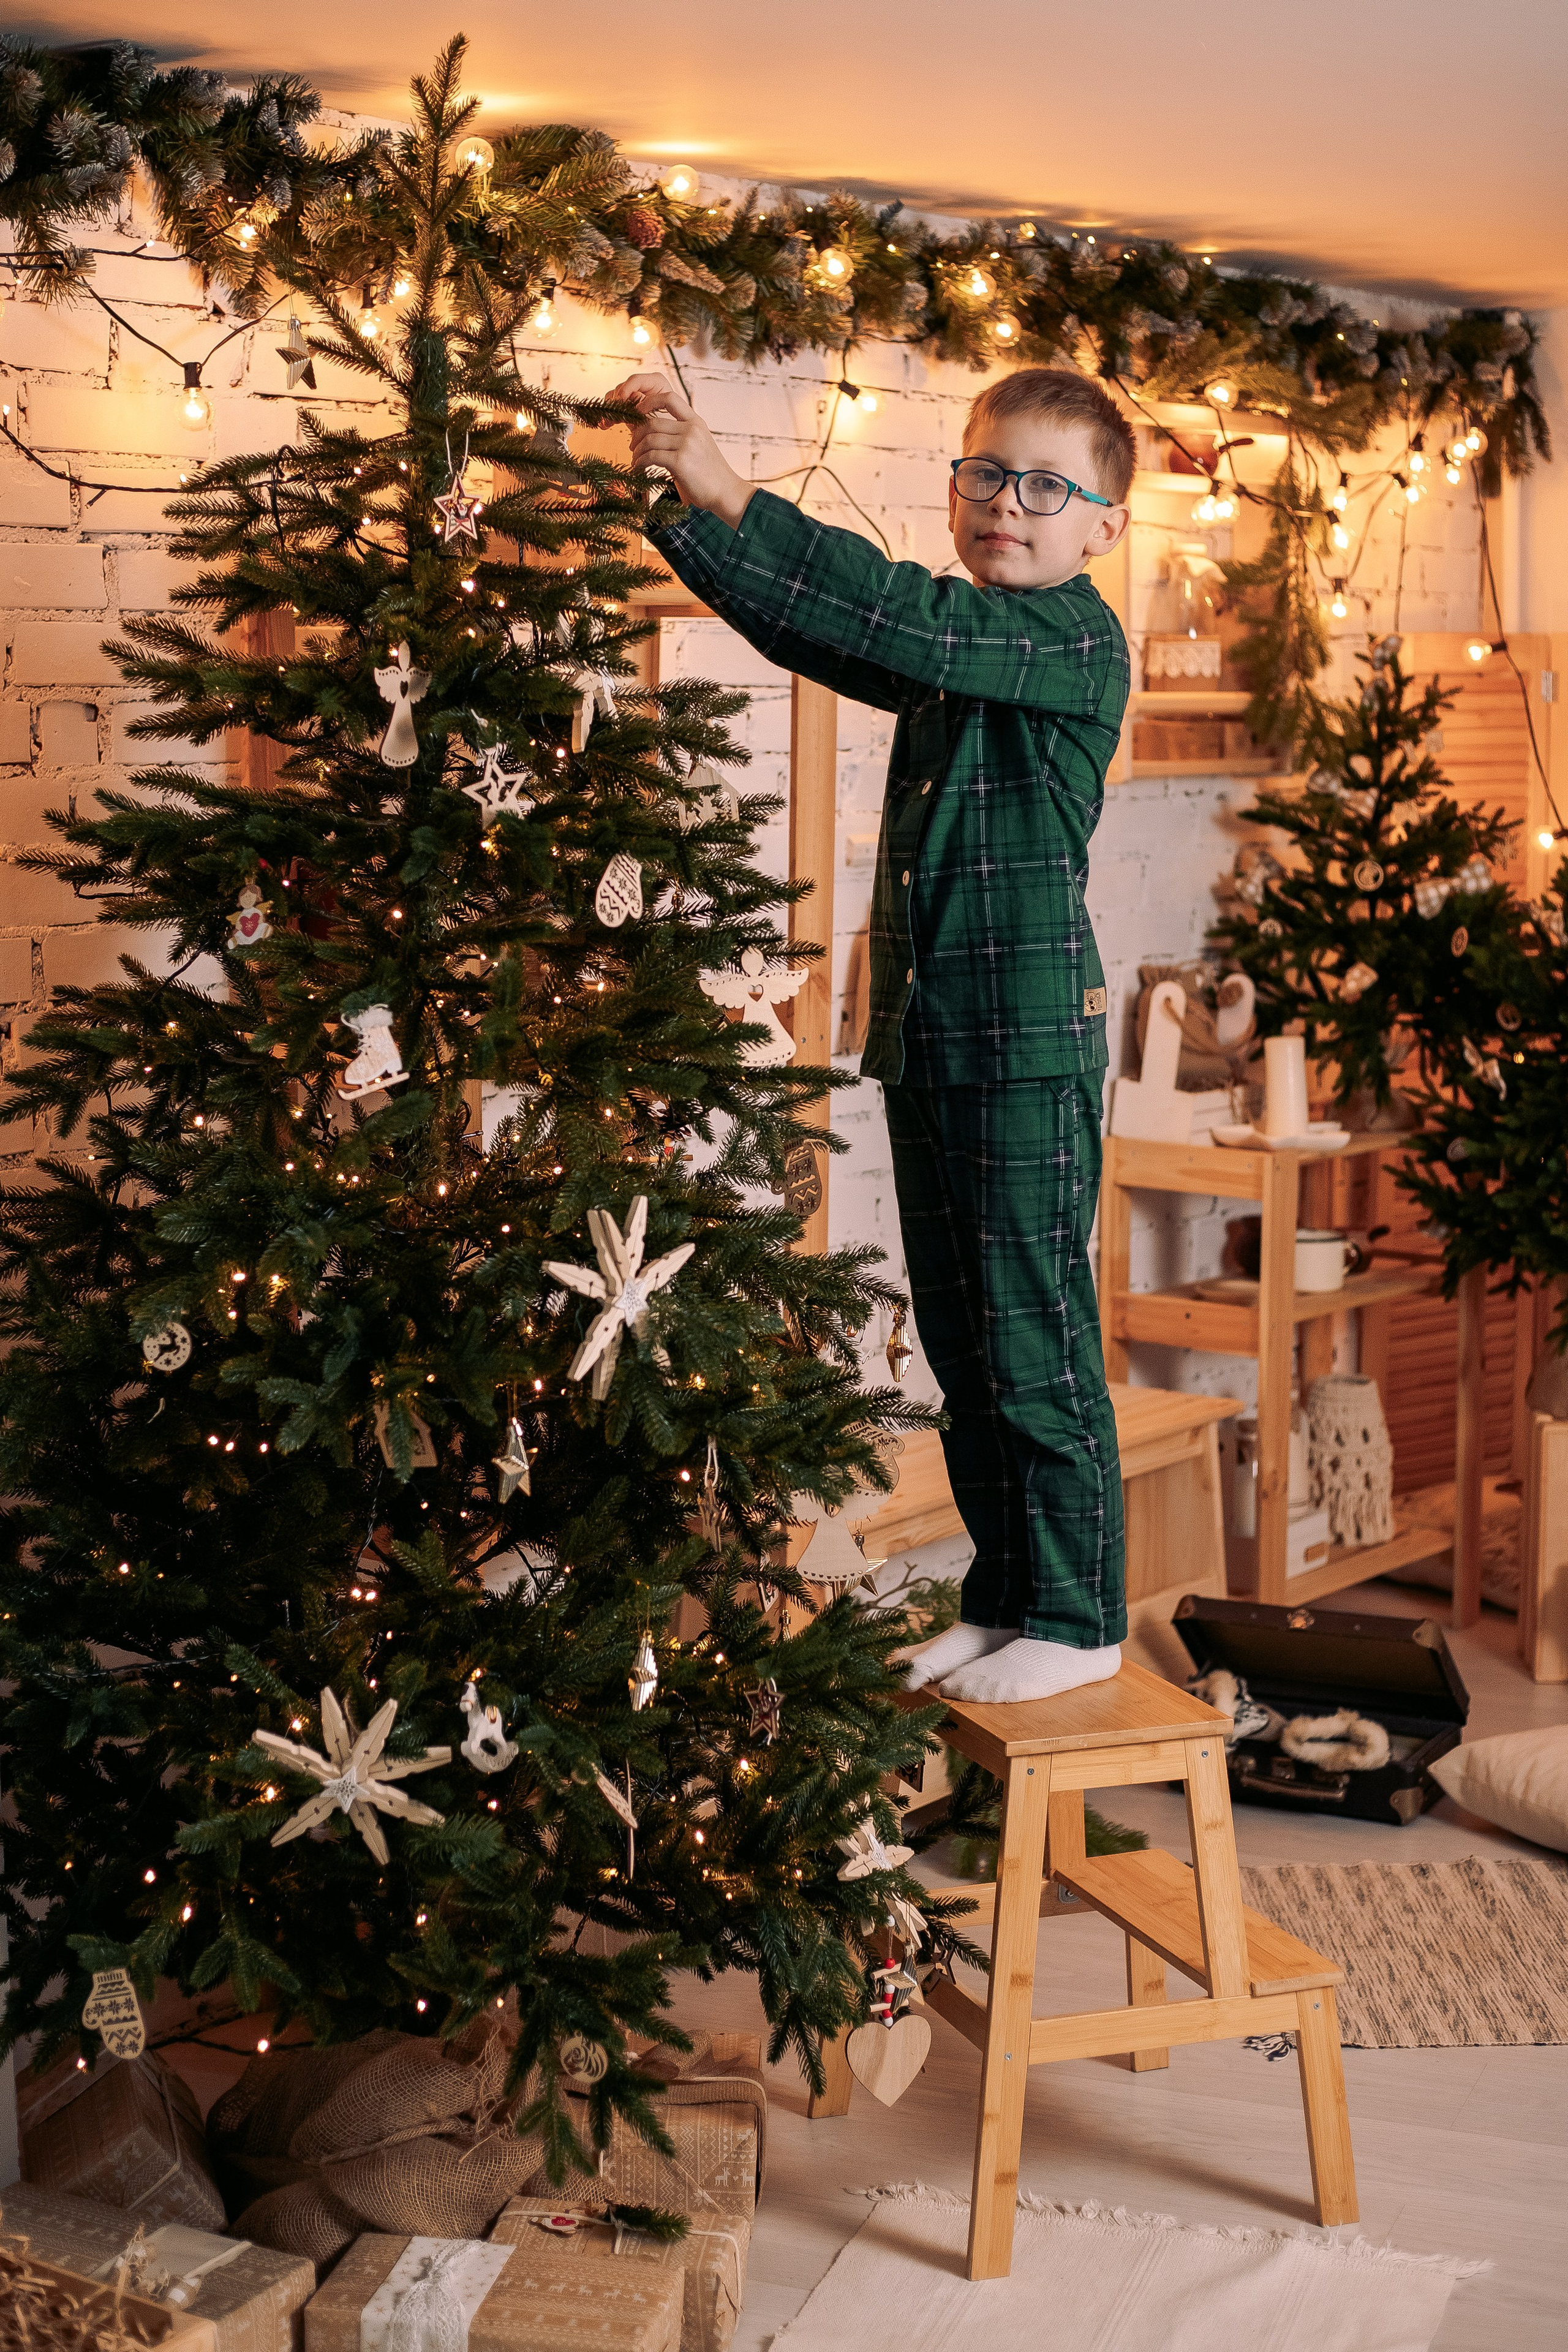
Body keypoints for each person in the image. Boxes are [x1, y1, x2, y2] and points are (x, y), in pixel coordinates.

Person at [612, 363, 1134, 1705]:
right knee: (963, 1346)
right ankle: (1006, 1595)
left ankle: (1078, 1620)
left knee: (1033, 1338)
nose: (1002, 504)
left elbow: (901, 615)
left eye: (1041, 486)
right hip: (934, 1031)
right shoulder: (957, 654)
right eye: (981, 475)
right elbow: (831, 635)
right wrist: (676, 503)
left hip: (1022, 1041)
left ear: (1099, 528)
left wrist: (730, 482)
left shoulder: (1066, 639)